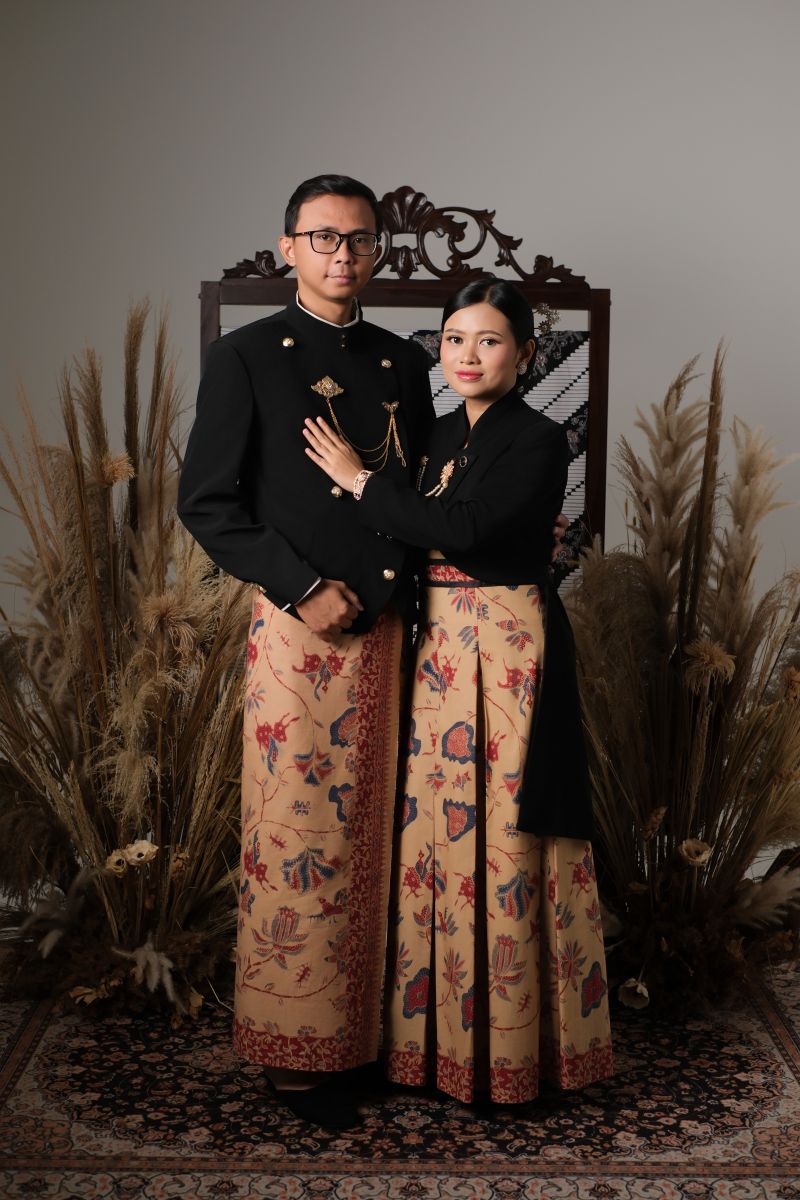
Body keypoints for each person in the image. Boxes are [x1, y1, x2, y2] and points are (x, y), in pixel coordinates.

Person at [304, 277, 613, 1105]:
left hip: (508, 649)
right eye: (454, 340)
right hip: (439, 646)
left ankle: (514, 1057)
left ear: (526, 353)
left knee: (507, 836)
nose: (468, 356)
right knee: (437, 834)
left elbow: (465, 529)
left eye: (489, 341)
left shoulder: (540, 438)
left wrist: (362, 483)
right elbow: (412, 533)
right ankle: (430, 1051)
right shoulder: (436, 433)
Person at [178, 175, 436, 1129]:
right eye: (323, 237)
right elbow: (208, 503)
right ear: (287, 247)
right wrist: (300, 587)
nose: (343, 255)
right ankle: (297, 1056)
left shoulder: (404, 361)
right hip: (301, 631)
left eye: (360, 240)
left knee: (392, 839)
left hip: (398, 627)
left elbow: (415, 494)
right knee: (302, 843)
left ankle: (373, 1040)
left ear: (378, 252)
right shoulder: (244, 356)